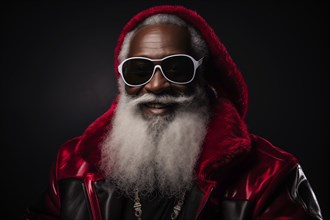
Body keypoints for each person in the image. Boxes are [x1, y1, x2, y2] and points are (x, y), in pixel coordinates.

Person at [24, 5, 323, 220]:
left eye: (176, 68)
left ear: (203, 76)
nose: (155, 85)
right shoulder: (72, 165)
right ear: (121, 80)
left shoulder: (268, 176)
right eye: (139, 70)